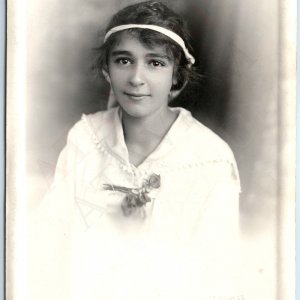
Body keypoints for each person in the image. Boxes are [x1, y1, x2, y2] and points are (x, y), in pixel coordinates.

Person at [29, 1, 242, 299]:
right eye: (124, 60)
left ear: (177, 77)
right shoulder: (86, 138)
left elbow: (215, 277)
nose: (136, 78)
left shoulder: (209, 160)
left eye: (155, 63)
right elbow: (48, 242)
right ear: (107, 69)